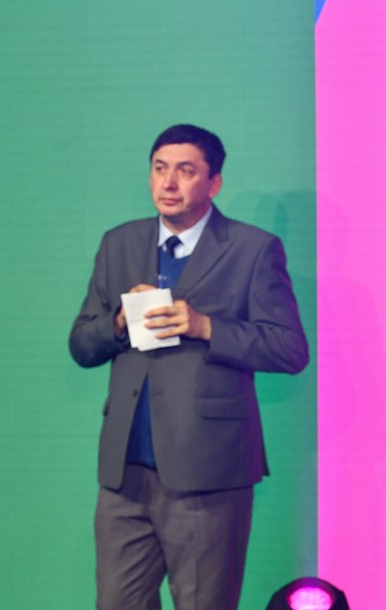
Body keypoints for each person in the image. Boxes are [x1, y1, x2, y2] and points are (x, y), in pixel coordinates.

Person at [69, 124, 309, 610]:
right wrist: (117, 322)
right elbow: (81, 343)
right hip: (125, 472)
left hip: (208, 473)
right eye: (160, 169)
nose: (169, 183)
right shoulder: (119, 243)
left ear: (214, 183)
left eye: (185, 171)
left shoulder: (252, 249)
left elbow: (289, 349)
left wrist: (206, 327)